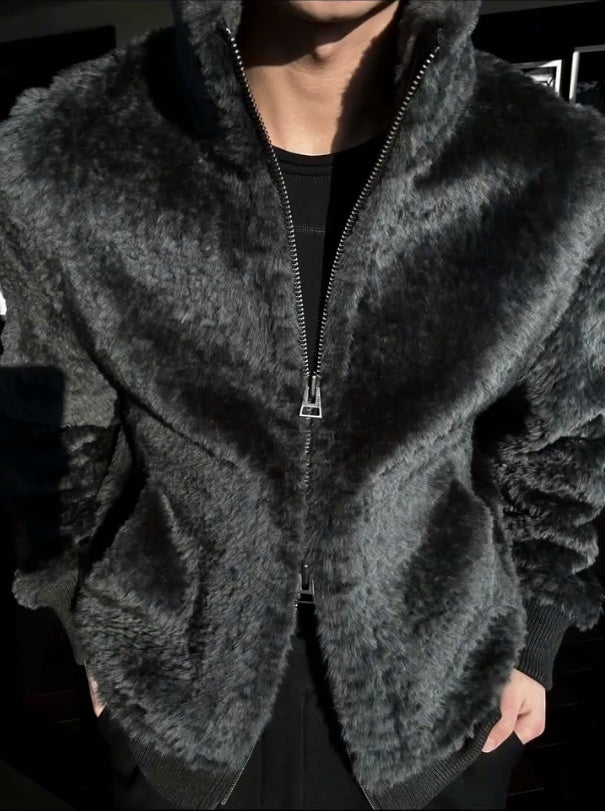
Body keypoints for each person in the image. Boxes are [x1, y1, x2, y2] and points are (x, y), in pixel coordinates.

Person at [1, 0, 603, 809]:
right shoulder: (76, 157)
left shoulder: (550, 167)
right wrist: (86, 620)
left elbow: (565, 438)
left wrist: (534, 639)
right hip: (176, 694)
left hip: (441, 700)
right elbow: (49, 428)